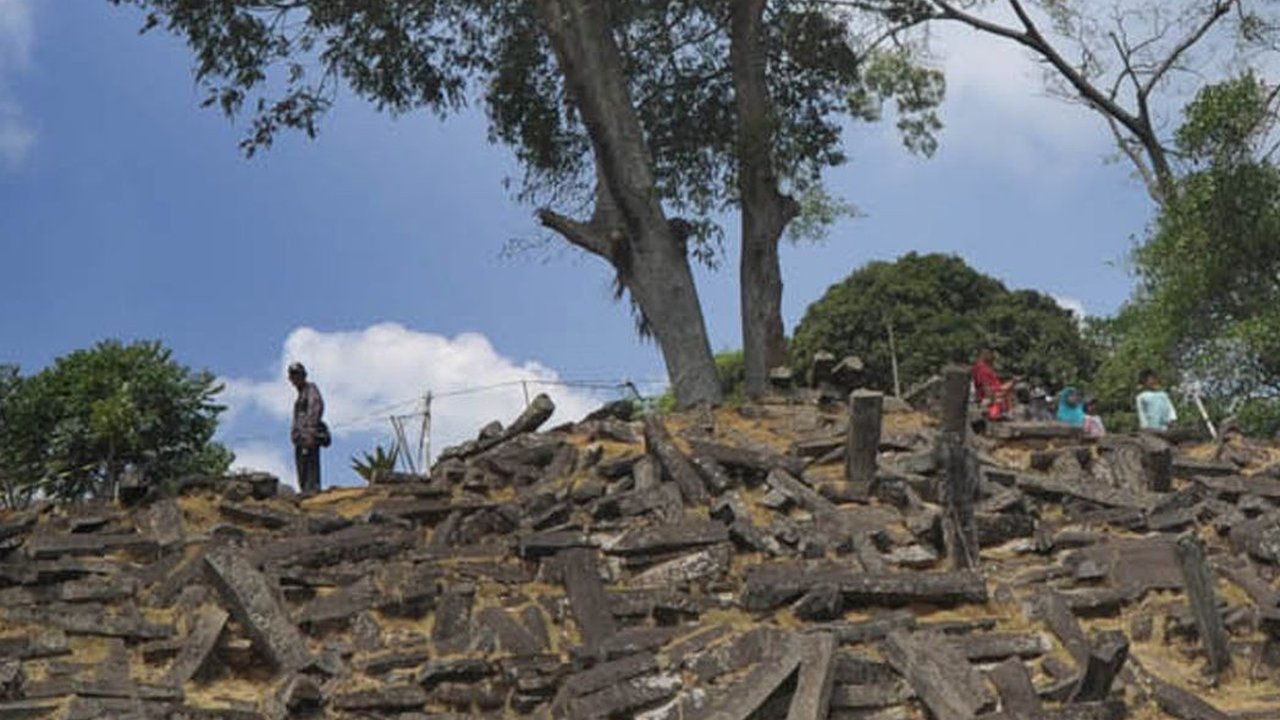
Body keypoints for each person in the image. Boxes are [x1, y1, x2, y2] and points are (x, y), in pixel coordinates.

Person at [288, 362, 325, 494]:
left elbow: (315, 409)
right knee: (302, 468)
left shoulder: (311, 389)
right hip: (300, 438)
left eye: (297, 374)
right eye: (292, 375)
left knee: (310, 467)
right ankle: (306, 491)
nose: (295, 378)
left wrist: (310, 432)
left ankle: (312, 490)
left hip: (308, 436)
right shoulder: (300, 395)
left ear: (303, 375)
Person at [972, 348, 1015, 420]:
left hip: (994, 395)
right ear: (985, 355)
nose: (994, 357)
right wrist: (1003, 388)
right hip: (990, 398)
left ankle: (1003, 412)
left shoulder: (985, 367)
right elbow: (986, 388)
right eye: (991, 354)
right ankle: (996, 414)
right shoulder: (981, 368)